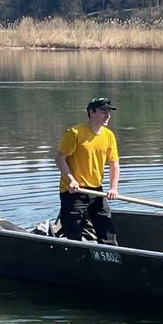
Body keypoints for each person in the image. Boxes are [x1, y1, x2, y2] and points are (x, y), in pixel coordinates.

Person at [55, 97, 121, 244]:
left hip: (97, 191)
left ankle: (111, 259)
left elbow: (114, 164)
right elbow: (60, 159)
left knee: (107, 230)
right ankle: (76, 260)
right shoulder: (75, 133)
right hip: (73, 192)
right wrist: (71, 180)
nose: (107, 115)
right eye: (103, 111)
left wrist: (113, 188)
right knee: (74, 233)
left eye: (109, 112)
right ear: (91, 112)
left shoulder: (108, 135)